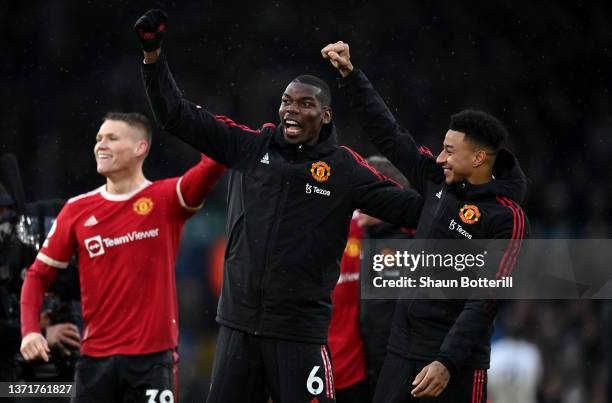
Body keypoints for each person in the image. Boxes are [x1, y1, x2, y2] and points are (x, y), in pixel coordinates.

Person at [134, 10, 423, 402]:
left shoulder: (344, 169)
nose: (290, 110)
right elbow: (177, 116)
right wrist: (153, 56)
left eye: (304, 104)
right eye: (286, 102)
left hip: (300, 336)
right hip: (238, 329)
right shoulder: (250, 146)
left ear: (325, 115)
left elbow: (412, 210)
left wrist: (461, 198)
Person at [322, 41, 529, 402]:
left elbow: (485, 299)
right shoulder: (437, 180)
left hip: (454, 365)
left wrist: (446, 362)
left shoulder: (506, 218)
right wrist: (351, 78)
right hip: (401, 352)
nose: (440, 157)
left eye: (450, 151)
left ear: (479, 158)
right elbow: (390, 135)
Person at [19, 112, 226, 402]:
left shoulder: (166, 198)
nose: (100, 145)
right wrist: (29, 331)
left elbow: (215, 162)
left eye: (112, 138)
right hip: (95, 362)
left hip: (152, 363)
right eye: (98, 139)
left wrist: (199, 120)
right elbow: (37, 275)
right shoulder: (77, 210)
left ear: (141, 148)